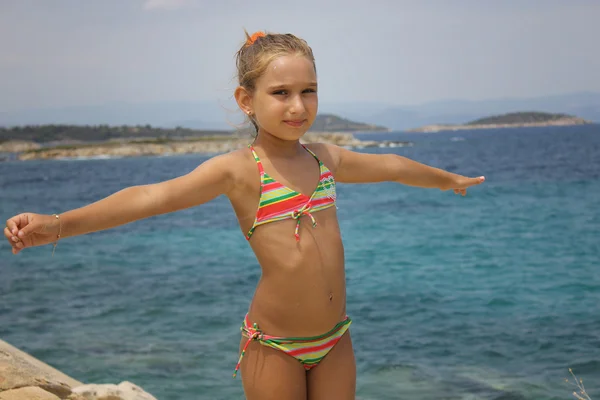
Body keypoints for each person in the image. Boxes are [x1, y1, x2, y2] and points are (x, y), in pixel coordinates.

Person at [4, 31, 485, 400]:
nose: (298, 106)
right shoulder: (240, 171)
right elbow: (150, 196)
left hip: (336, 339)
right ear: (246, 100)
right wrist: (57, 223)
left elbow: (392, 166)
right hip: (273, 345)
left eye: (309, 90)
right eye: (281, 93)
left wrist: (448, 179)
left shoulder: (324, 159)